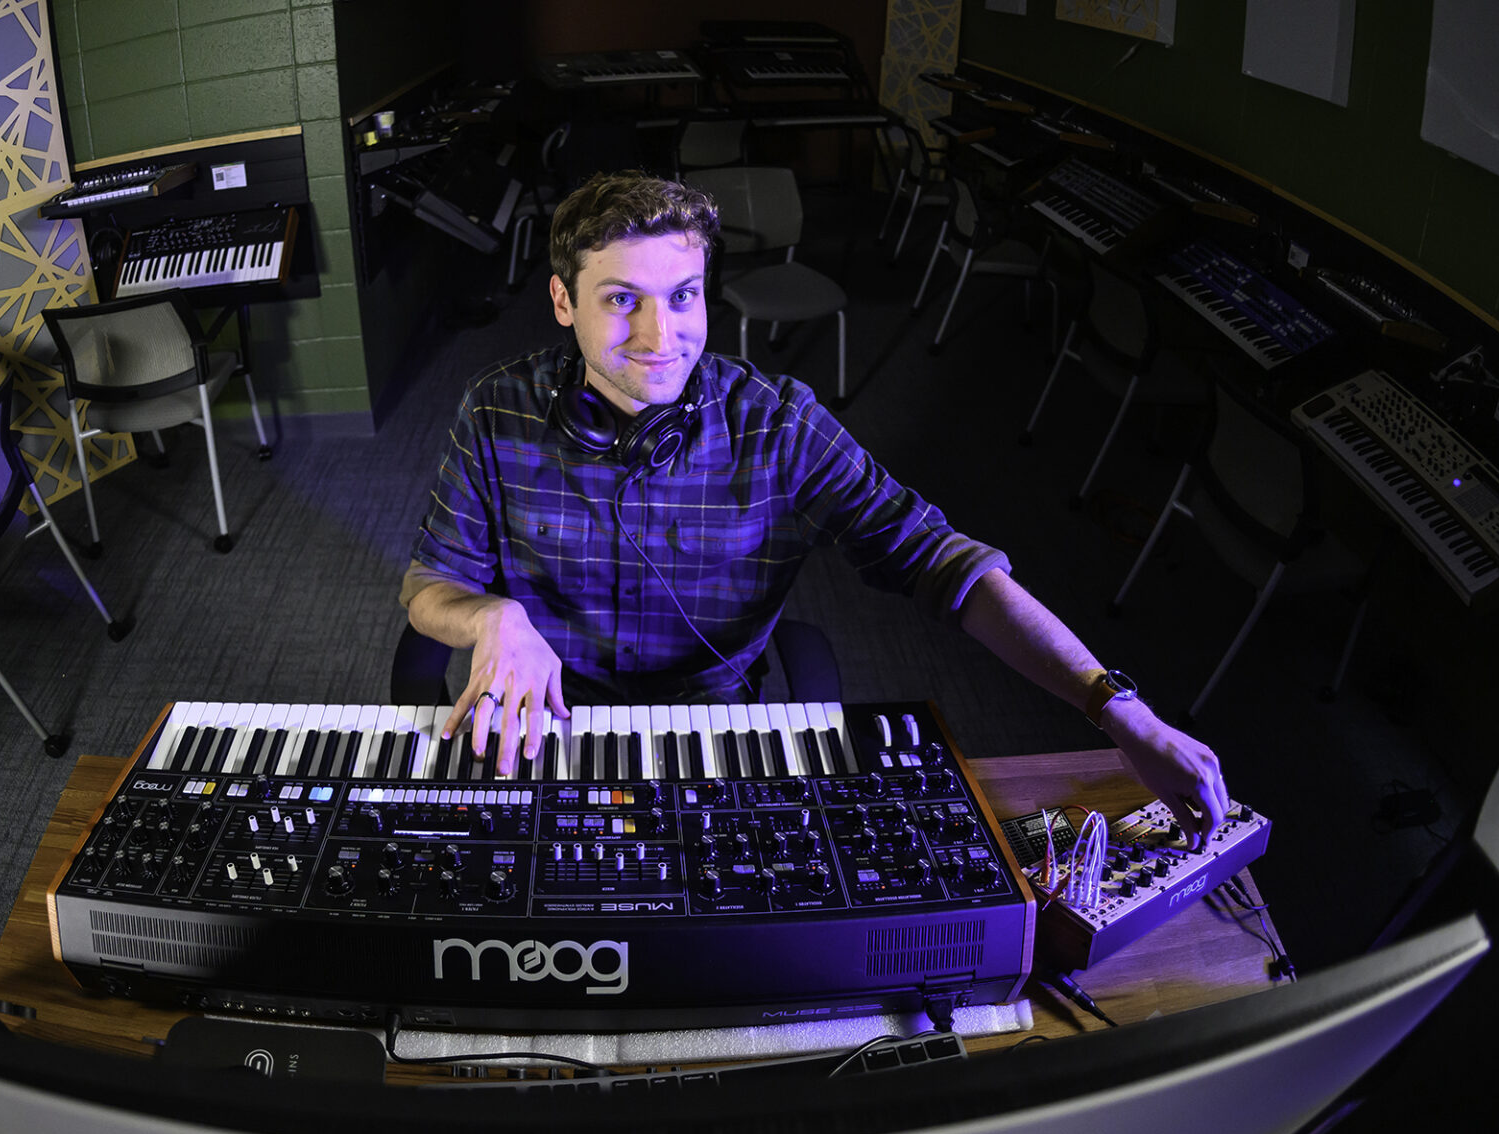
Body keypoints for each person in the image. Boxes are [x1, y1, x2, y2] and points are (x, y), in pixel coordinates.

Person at [400, 171, 1229, 847]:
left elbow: (947, 567)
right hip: (542, 721)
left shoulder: (777, 419)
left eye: (683, 296)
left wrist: (1118, 711)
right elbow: (427, 586)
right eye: (622, 300)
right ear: (562, 301)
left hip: (713, 734)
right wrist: (490, 619)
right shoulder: (495, 409)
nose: (661, 335)